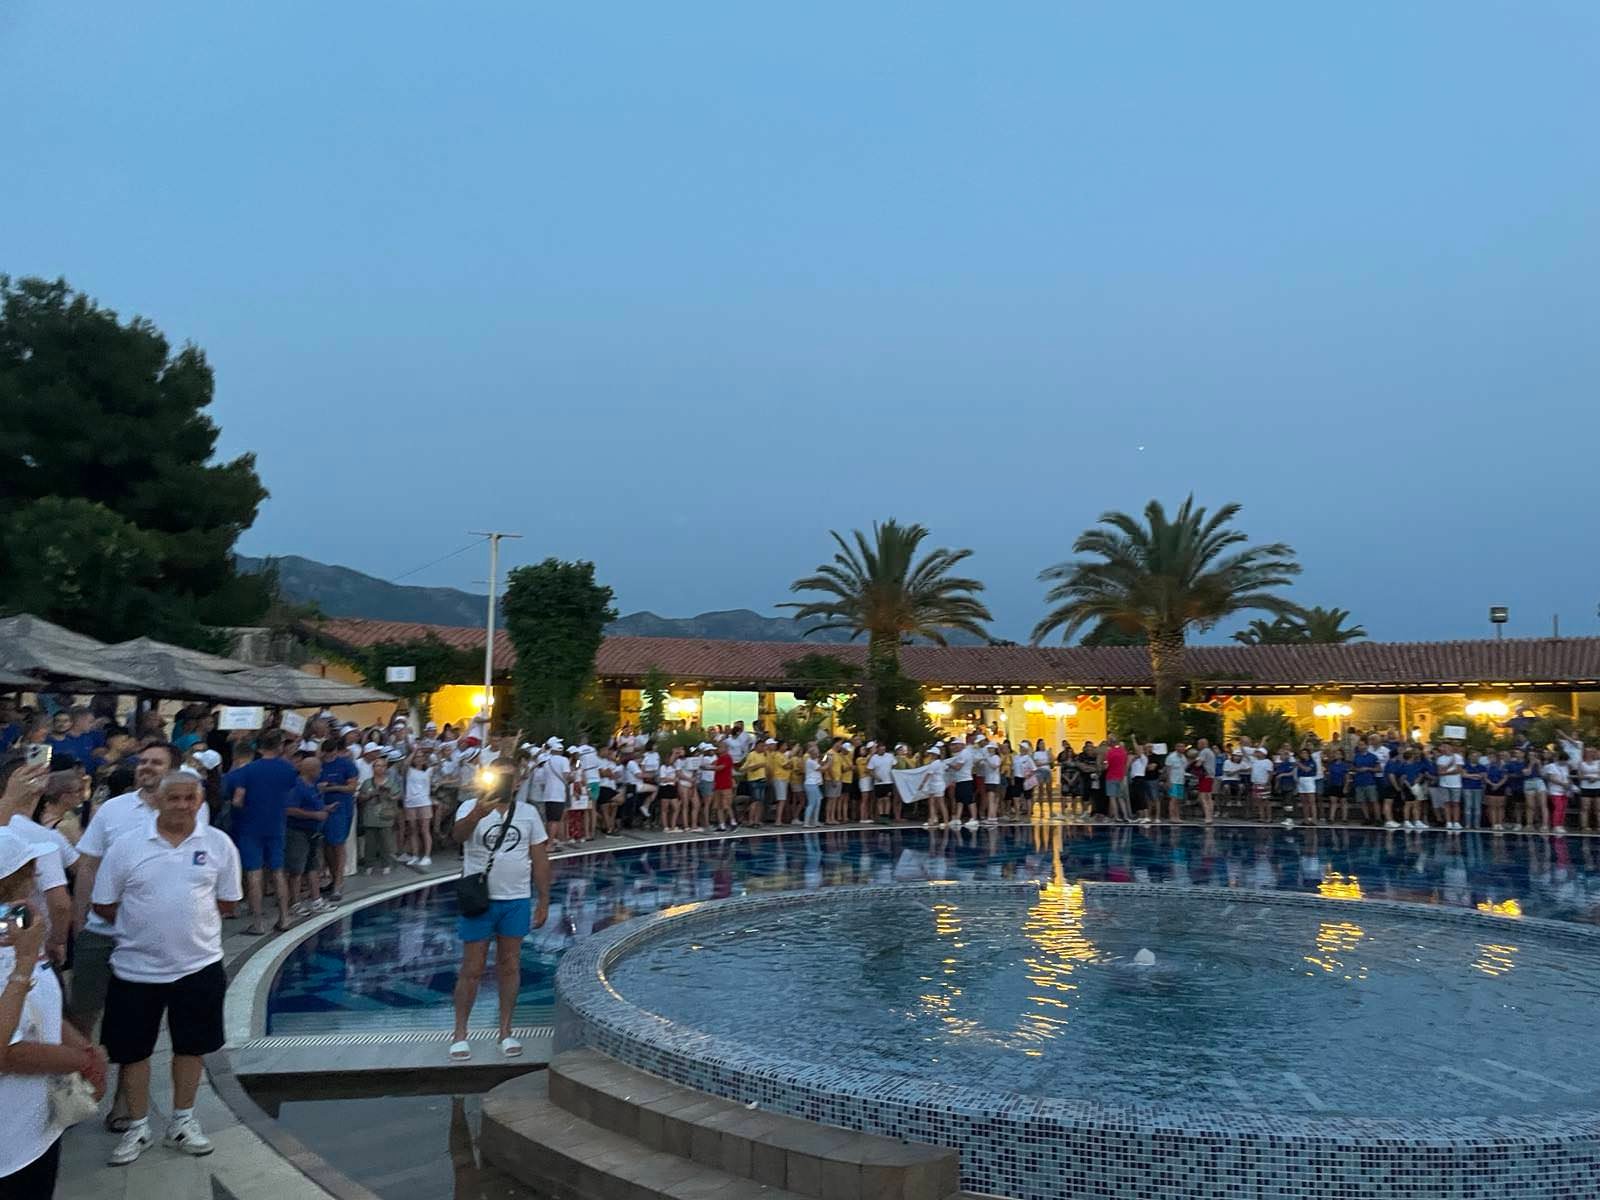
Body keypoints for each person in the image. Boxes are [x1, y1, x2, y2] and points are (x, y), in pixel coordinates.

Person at [92, 771, 242, 1165]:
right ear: (157, 801)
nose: (181, 805)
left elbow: (228, 902)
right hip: (135, 969)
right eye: (173, 798)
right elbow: (104, 903)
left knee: (191, 1047)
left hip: (198, 966)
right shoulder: (127, 846)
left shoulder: (218, 844)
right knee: (133, 1052)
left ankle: (182, 1121)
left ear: (199, 802)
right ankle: (138, 1126)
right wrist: (144, 928)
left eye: (189, 798)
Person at [0, 828, 107, 1198]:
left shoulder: (18, 931)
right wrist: (82, 1060)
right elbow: (7, 1053)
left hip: (34, 1128)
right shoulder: (15, 951)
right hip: (9, 1146)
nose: (37, 875)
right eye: (30, 868)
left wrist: (84, 1048)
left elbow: (40, 1006)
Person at [447, 764, 550, 1062]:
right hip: (479, 899)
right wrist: (477, 814)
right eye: (498, 776)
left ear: (517, 782)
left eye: (509, 777)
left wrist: (544, 899)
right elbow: (457, 837)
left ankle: (505, 1031)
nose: (504, 782)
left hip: (516, 898)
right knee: (472, 968)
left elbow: (539, 857)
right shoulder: (470, 806)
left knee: (510, 965)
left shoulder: (529, 813)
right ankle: (460, 1034)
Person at [224, 729, 296, 934]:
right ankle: (284, 917)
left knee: (254, 874)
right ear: (279, 746)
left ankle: (258, 922)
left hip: (250, 825)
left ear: (260, 747)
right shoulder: (288, 769)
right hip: (276, 823)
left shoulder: (248, 770)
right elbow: (289, 793)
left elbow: (237, 800)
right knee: (278, 871)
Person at [316, 736, 360, 902]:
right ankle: (334, 878)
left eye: (331, 753)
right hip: (322, 807)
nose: (328, 756)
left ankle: (338, 883)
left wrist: (332, 787)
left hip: (340, 808)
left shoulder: (346, 765)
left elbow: (352, 787)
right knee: (327, 845)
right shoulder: (319, 764)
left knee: (337, 844)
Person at [284, 752, 327, 914]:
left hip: (312, 832)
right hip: (298, 832)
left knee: (312, 866)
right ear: (311, 770)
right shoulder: (297, 787)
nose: (321, 772)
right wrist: (314, 815)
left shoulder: (313, 786)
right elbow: (289, 809)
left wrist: (325, 809)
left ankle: (317, 900)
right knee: (297, 869)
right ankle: (295, 903)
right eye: (319, 769)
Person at [360, 750, 402, 874]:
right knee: (370, 843)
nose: (380, 768)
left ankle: (386, 864)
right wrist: (370, 795)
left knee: (386, 842)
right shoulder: (367, 782)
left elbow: (397, 795)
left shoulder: (391, 782)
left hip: (385, 816)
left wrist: (389, 796)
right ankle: (369, 864)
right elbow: (360, 797)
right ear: (373, 768)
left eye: (382, 766)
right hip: (370, 816)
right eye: (377, 766)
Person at [400, 745, 436, 866]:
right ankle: (415, 855)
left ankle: (427, 856)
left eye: (421, 757)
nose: (419, 759)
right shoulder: (409, 771)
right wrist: (414, 751)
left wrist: (429, 751)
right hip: (410, 803)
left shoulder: (429, 770)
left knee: (425, 829)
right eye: (417, 757)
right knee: (413, 830)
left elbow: (437, 762)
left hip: (424, 802)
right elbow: (405, 764)